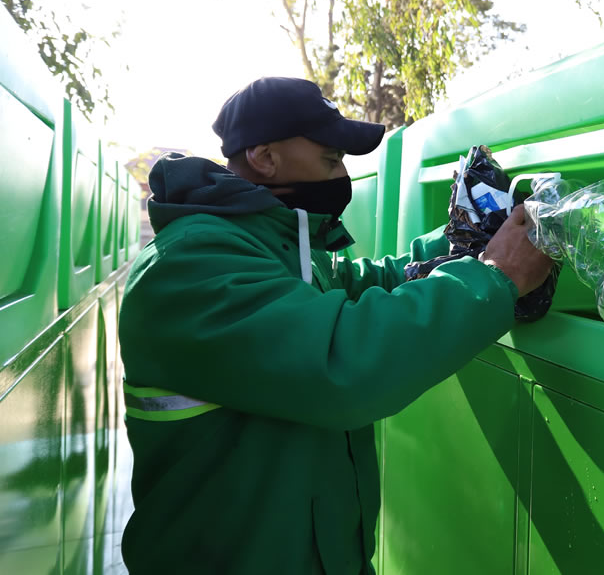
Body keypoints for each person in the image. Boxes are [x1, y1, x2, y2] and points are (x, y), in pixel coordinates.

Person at [117, 77, 553, 574]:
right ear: (264, 157)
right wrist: (496, 278)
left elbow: (375, 283)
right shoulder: (190, 267)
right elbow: (342, 363)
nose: (342, 172)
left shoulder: (276, 249)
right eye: (331, 158)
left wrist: (463, 238)